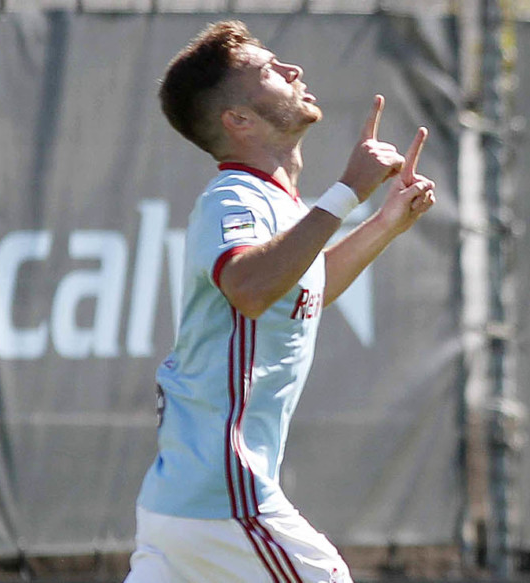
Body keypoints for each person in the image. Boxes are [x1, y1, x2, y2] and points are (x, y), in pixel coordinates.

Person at [124, 19, 436, 583]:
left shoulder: (278, 204)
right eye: (269, 70)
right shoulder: (232, 196)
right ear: (238, 120)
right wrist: (347, 192)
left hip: (182, 502)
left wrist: (385, 222)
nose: (292, 71)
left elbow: (299, 286)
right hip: (224, 494)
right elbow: (248, 288)